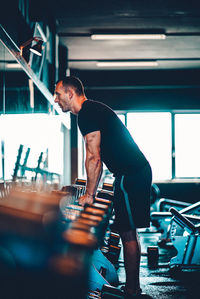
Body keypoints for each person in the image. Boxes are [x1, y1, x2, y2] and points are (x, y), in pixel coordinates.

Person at [54, 76, 152, 298]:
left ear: (71, 93)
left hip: (131, 174)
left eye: (58, 94)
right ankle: (132, 288)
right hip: (133, 173)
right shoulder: (92, 110)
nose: (56, 99)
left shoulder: (87, 113)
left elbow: (93, 158)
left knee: (127, 232)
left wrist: (90, 194)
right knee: (129, 231)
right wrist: (91, 191)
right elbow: (95, 158)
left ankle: (132, 290)